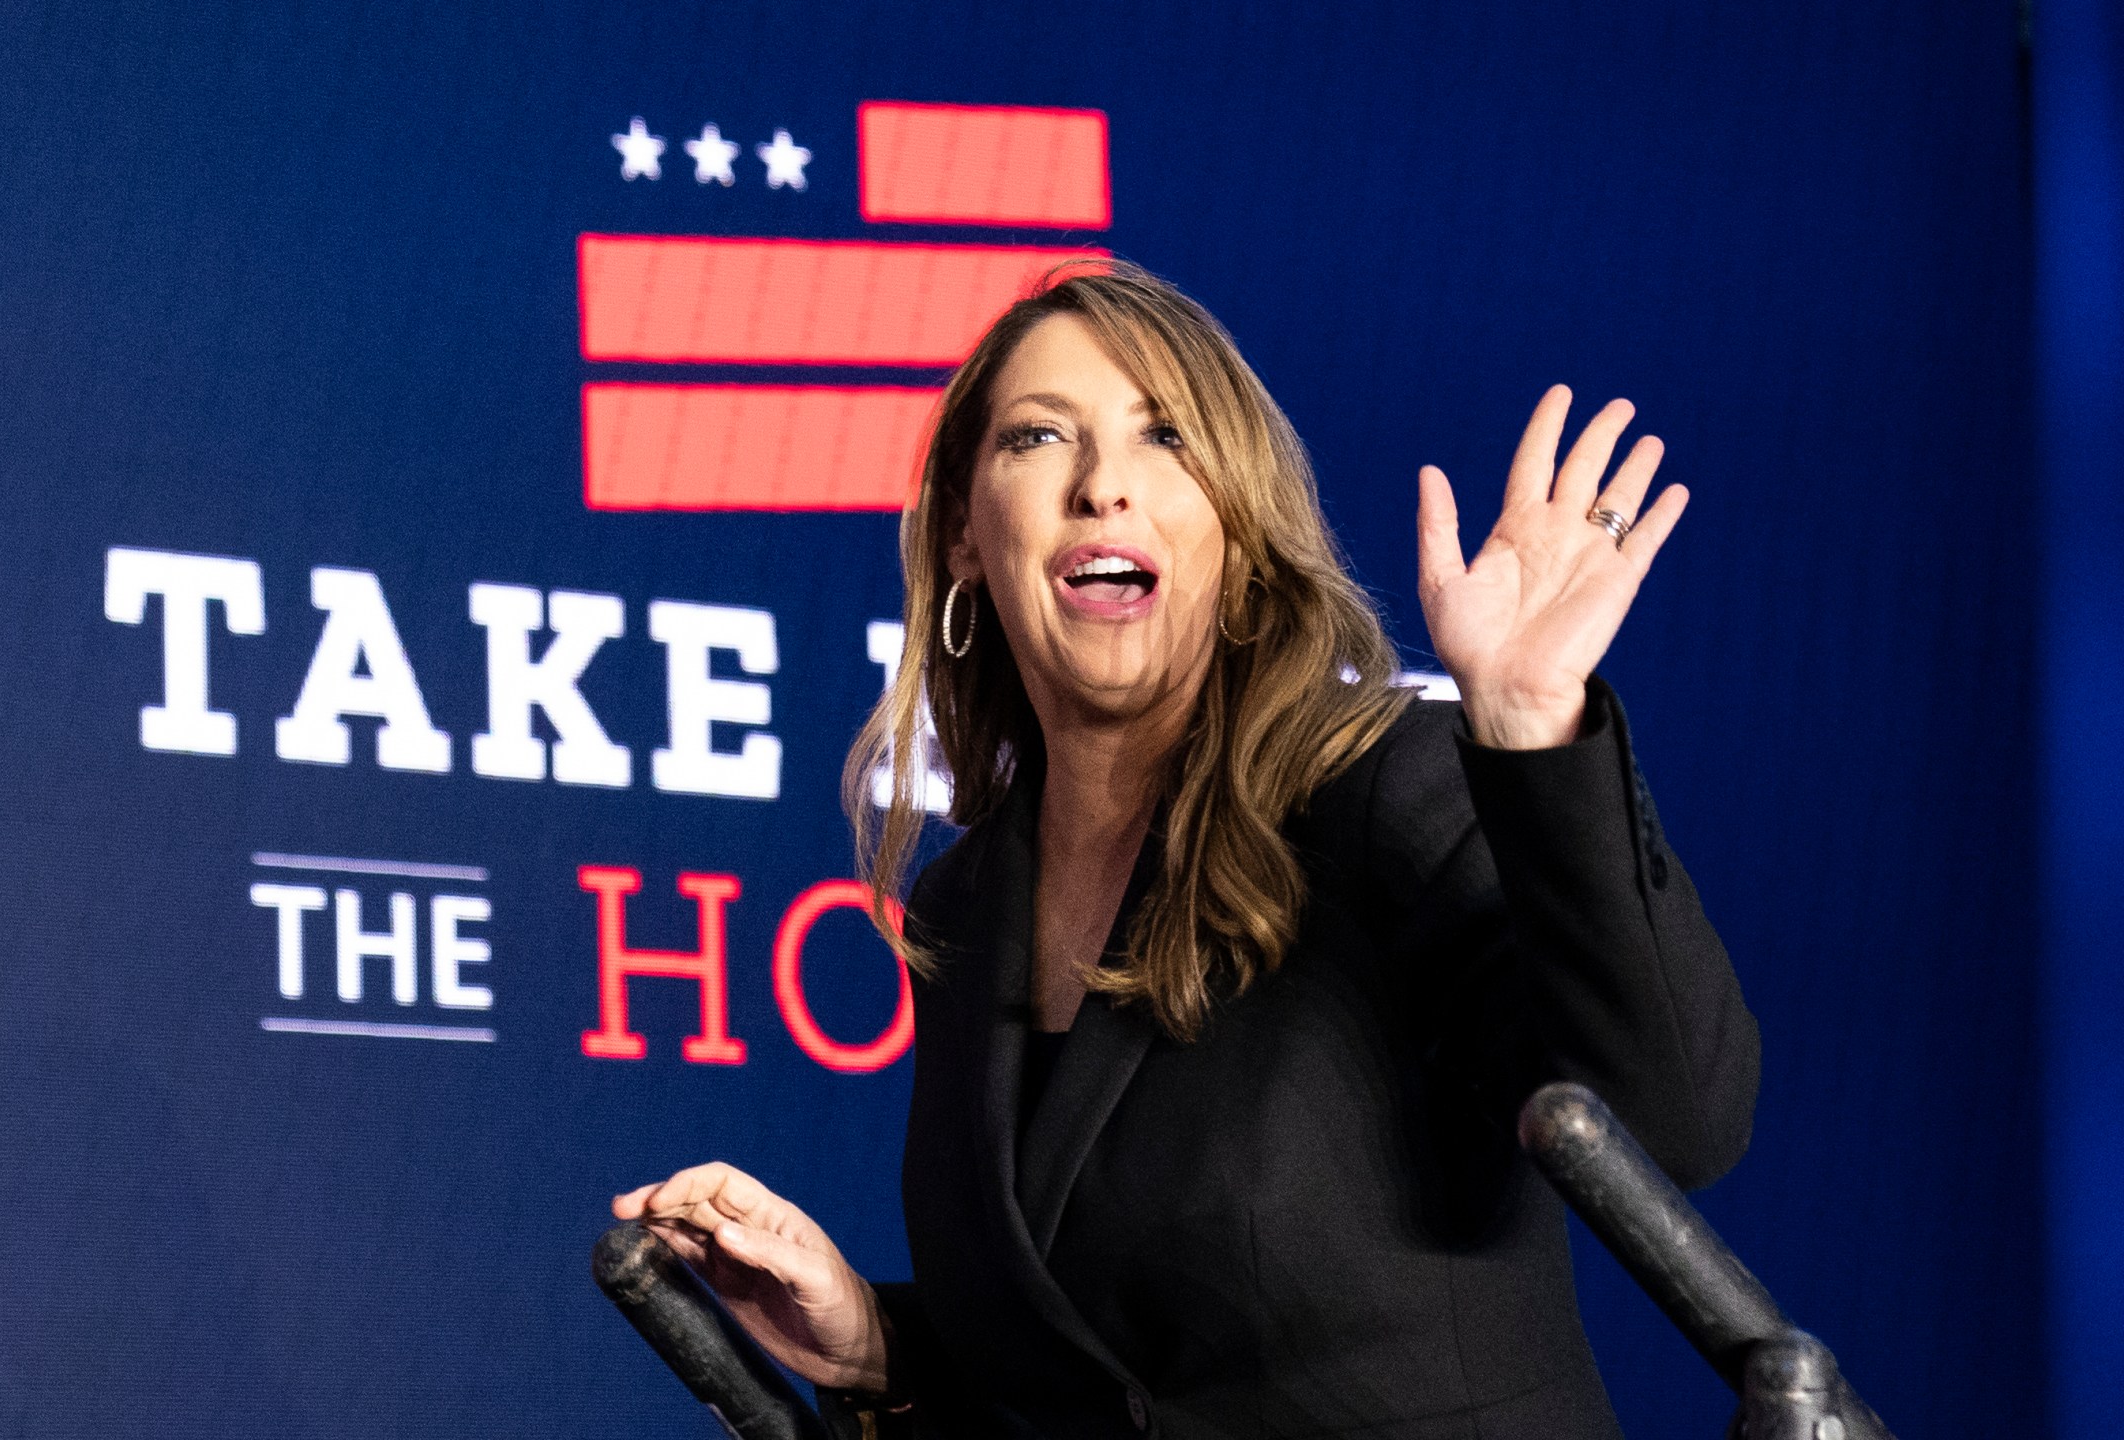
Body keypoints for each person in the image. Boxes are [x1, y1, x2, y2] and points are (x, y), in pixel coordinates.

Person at [611, 261, 1759, 1440]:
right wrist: (874, 1342)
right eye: (1038, 438)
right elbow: (1116, 1383)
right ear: (963, 535)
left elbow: (1671, 1117)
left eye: (1165, 436)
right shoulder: (966, 904)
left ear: (1238, 527)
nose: (1103, 486)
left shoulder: (1379, 790)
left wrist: (1530, 732)